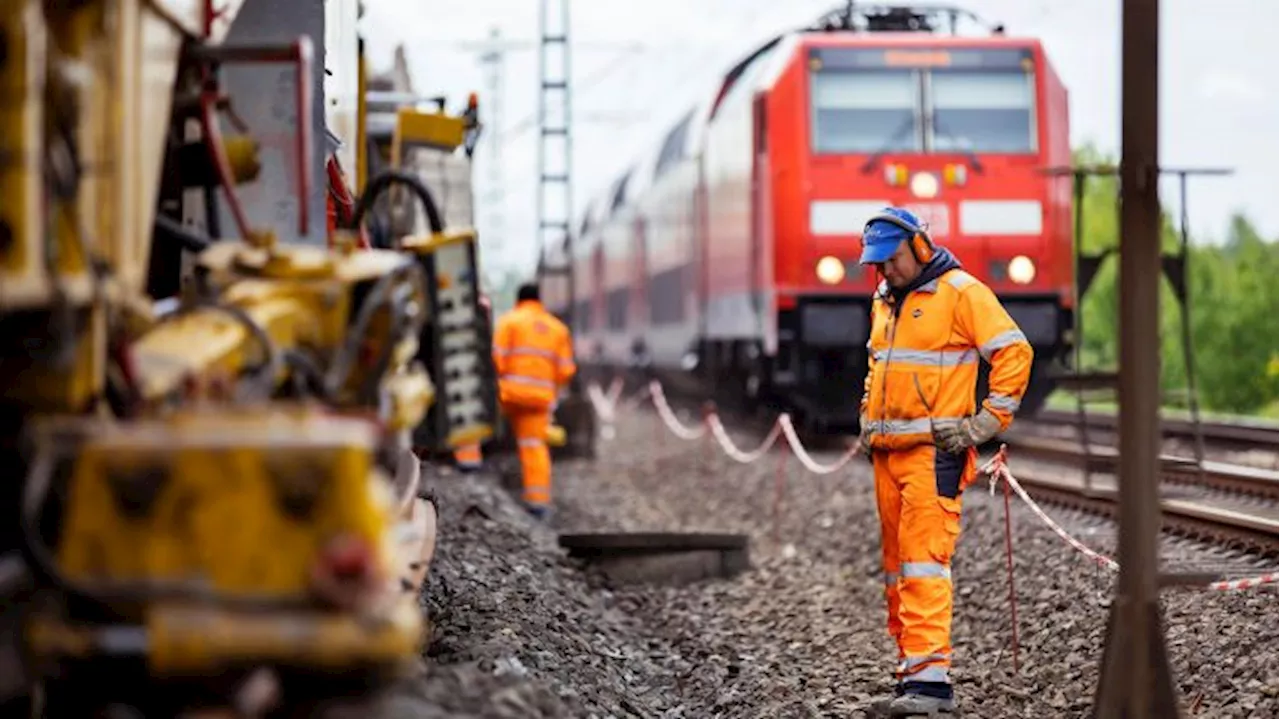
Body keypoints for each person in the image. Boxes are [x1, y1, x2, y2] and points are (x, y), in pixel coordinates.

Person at [856, 207, 1032, 716]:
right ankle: (911, 675)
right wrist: (868, 414)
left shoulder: (961, 293)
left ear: (919, 248)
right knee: (898, 569)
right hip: (889, 456)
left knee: (924, 565)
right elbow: (879, 365)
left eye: (889, 261)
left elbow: (1014, 352)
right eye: (876, 264)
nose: (882, 272)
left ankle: (931, 687)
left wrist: (986, 422)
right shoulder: (885, 299)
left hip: (933, 457)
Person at [491, 282, 576, 518]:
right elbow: (566, 371)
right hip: (539, 400)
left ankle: (471, 466)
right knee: (534, 447)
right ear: (540, 300)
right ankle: (538, 502)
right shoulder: (557, 329)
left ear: (518, 300)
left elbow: (496, 361)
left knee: (486, 429)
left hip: (509, 396)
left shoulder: (509, 322)